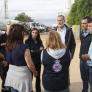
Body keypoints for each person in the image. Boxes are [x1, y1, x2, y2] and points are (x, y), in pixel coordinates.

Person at [4, 24, 37, 92]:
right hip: (22, 78)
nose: (24, 33)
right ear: (20, 33)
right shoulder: (24, 47)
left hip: (10, 77)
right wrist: (35, 72)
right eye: (23, 31)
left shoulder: (7, 45)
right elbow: (30, 64)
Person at [25, 28, 44, 92]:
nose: (35, 34)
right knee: (30, 78)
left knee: (38, 78)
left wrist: (35, 51)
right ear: (31, 33)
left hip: (38, 62)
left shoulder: (39, 41)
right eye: (33, 32)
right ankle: (30, 90)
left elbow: (42, 49)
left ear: (38, 34)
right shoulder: (27, 41)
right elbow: (29, 52)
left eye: (36, 33)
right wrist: (39, 50)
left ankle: (38, 90)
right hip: (31, 62)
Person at [79, 16, 92, 92]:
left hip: (90, 61)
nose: (83, 25)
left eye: (85, 23)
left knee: (91, 80)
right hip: (82, 60)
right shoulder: (81, 34)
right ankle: (84, 90)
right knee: (84, 78)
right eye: (82, 23)